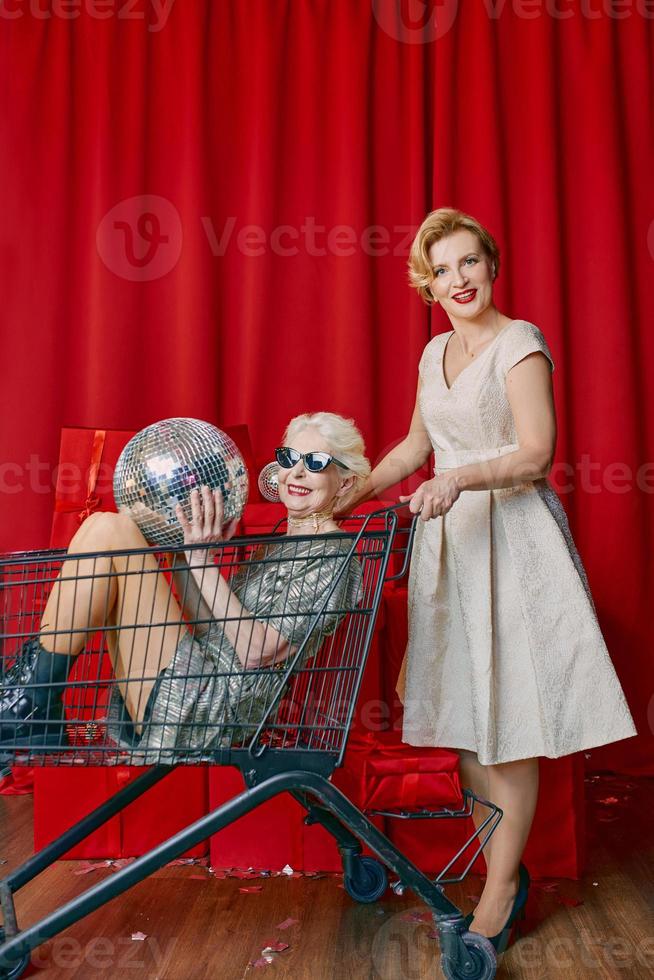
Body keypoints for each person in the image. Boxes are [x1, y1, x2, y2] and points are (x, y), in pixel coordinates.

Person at [345, 208, 637, 951]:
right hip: (453, 548)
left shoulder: (521, 342)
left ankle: (503, 888)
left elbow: (537, 453)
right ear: (426, 282)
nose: (458, 279)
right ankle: (503, 878)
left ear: (492, 265)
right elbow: (417, 445)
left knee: (509, 722)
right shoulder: (432, 351)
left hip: (514, 542)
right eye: (442, 269)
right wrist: (353, 488)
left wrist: (462, 479)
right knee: (469, 722)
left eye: (469, 262)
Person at [0, 412, 368, 760]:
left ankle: (29, 704)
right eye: (289, 458)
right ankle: (30, 703)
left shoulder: (332, 555)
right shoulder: (276, 544)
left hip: (213, 710)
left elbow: (257, 652)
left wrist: (200, 560)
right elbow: (212, 629)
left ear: (346, 481)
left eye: (316, 463)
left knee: (110, 529)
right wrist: (182, 550)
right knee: (106, 526)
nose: (297, 473)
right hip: (196, 678)